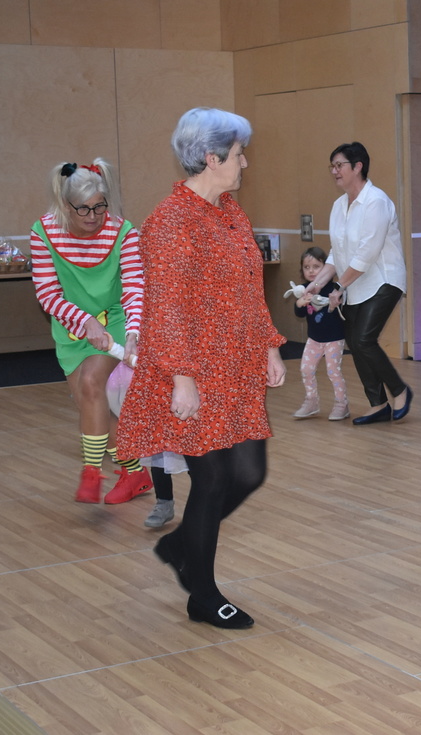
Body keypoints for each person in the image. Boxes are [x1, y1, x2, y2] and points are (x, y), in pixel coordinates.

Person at [117, 107, 287, 629]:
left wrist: (269, 345)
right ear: (212, 158)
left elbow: (249, 286)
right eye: (238, 154)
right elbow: (164, 308)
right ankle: (203, 595)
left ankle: (179, 547)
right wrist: (182, 378)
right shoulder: (169, 222)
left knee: (249, 473)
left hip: (236, 367)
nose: (245, 163)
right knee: (211, 480)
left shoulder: (231, 211)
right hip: (191, 368)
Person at [30, 158, 153, 505]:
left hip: (114, 321)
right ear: (64, 205)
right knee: (92, 404)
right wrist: (84, 321)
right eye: (83, 208)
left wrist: (133, 334)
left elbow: (134, 288)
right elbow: (47, 293)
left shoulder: (123, 231)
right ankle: (134, 474)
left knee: (91, 383)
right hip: (72, 327)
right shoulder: (44, 232)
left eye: (100, 206)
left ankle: (91, 472)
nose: (93, 216)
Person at [304, 142, 411, 426]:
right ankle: (378, 405)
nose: (334, 171)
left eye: (339, 165)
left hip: (384, 279)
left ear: (358, 166)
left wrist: (339, 287)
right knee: (355, 341)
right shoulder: (338, 206)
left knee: (363, 339)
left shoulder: (376, 201)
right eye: (332, 166)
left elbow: (367, 252)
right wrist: (318, 283)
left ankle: (400, 390)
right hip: (355, 284)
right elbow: (336, 252)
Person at [106, 361, 188, 527]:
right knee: (158, 454)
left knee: (195, 456)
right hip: (156, 392)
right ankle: (164, 503)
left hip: (186, 388)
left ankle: (207, 503)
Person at [288, 246, 349, 421]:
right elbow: (300, 314)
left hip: (334, 339)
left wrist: (332, 306)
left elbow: (339, 315)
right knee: (306, 369)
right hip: (314, 339)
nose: (311, 271)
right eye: (307, 267)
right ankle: (311, 401)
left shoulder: (334, 289)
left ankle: (341, 404)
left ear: (326, 268)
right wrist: (299, 303)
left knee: (333, 371)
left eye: (316, 267)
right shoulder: (305, 289)